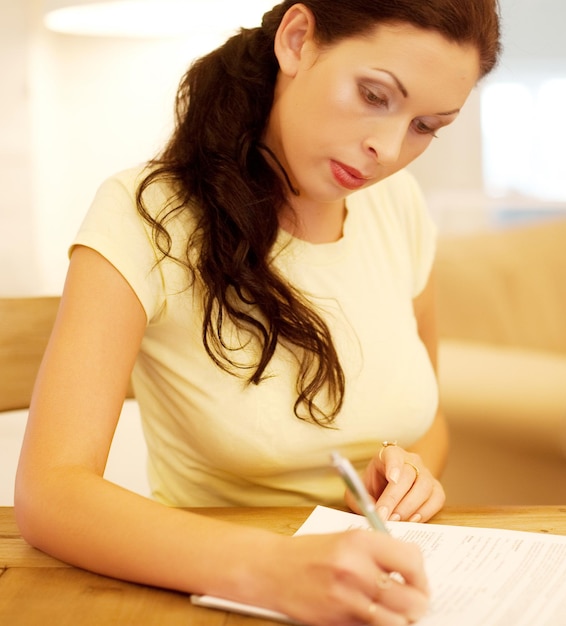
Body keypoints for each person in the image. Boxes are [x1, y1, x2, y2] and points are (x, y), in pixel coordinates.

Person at [15, 1, 500, 624]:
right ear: (297, 40)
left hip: (365, 585)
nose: (386, 148)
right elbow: (51, 492)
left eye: (426, 126)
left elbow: (429, 423)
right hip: (216, 590)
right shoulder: (145, 216)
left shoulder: (398, 207)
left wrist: (407, 478)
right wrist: (271, 569)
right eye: (375, 95)